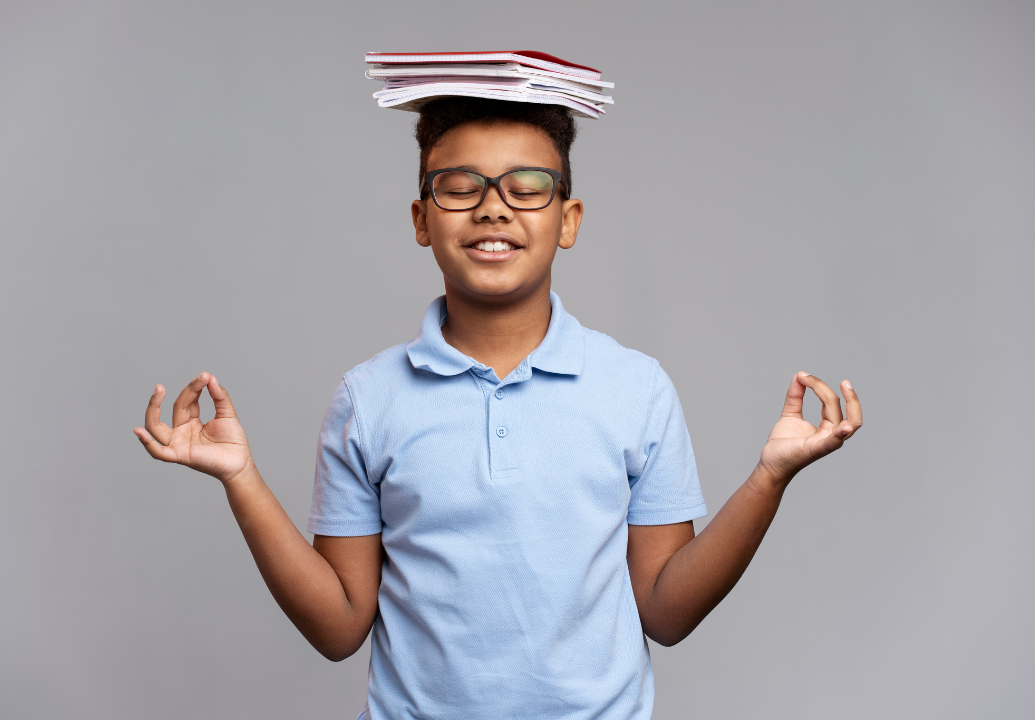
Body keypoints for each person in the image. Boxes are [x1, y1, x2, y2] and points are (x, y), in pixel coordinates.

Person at [134, 97, 862, 720]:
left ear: (568, 219)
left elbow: (666, 612)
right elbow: (339, 626)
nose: (492, 206)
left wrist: (769, 479)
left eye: (527, 187)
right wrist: (242, 480)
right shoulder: (369, 398)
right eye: (460, 185)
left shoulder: (635, 387)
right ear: (422, 218)